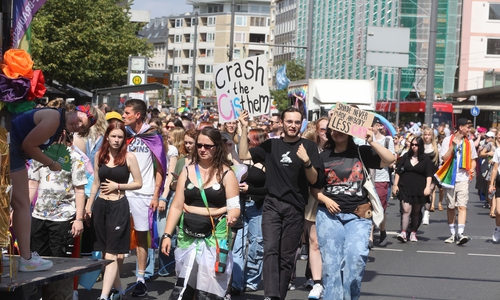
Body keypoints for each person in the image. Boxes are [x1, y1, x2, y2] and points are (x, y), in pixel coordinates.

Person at [238, 108, 322, 300]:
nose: (293, 125)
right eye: (289, 121)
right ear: (281, 123)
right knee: (270, 250)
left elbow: (314, 180)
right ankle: (271, 295)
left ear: (301, 123)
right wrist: (244, 129)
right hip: (272, 204)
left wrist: (307, 162)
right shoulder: (271, 145)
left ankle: (279, 296)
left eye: (296, 122)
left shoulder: (308, 146)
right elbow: (243, 154)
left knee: (286, 256)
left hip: (295, 206)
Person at [310, 124, 394, 300]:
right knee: (331, 268)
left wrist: (371, 142)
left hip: (358, 216)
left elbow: (389, 159)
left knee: (355, 260)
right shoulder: (323, 156)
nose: (337, 133)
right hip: (329, 216)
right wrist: (326, 200)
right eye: (333, 130)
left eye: (340, 129)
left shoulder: (361, 152)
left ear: (349, 131)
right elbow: (314, 189)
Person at [10, 104, 97, 271]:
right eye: (79, 120)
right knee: (21, 205)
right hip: (11, 151)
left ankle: (22, 256)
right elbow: (29, 146)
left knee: (17, 205)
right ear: (73, 111)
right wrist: (51, 163)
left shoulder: (58, 121)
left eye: (82, 126)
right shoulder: (54, 118)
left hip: (13, 152)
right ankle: (26, 258)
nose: (78, 125)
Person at [161, 127, 240, 299]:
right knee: (185, 283)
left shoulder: (227, 174)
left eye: (208, 146)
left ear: (217, 147)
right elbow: (176, 206)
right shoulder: (187, 171)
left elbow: (234, 206)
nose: (202, 149)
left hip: (215, 233)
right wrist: (167, 234)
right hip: (187, 232)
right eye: (199, 145)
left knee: (209, 287)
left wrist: (233, 216)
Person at [85, 121, 142, 300]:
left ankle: (103, 295)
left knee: (112, 253)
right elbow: (95, 182)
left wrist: (118, 185)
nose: (116, 140)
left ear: (124, 138)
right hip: (101, 206)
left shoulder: (129, 157)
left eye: (120, 137)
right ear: (107, 137)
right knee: (104, 252)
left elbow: (138, 183)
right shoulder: (100, 156)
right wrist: (88, 205)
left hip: (119, 206)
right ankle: (120, 290)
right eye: (113, 136)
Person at [122, 99, 167, 296]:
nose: (123, 116)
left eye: (126, 113)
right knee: (118, 235)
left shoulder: (153, 136)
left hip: (144, 193)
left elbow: (160, 168)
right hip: (123, 191)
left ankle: (140, 279)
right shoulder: (124, 135)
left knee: (142, 236)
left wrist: (156, 194)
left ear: (137, 115)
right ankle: (114, 279)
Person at [231, 128, 268, 294]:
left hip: (257, 207)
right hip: (240, 205)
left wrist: (250, 190)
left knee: (256, 245)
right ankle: (237, 283)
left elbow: (269, 189)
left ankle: (252, 280)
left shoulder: (267, 162)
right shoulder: (241, 159)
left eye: (248, 138)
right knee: (237, 245)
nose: (243, 141)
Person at [436, 118, 477, 245]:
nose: (469, 129)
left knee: (462, 205)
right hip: (450, 178)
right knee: (450, 206)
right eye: (467, 127)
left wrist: (473, 169)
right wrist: (452, 147)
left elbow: (473, 159)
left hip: (463, 178)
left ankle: (460, 233)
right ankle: (453, 234)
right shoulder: (448, 140)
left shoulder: (469, 142)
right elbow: (443, 158)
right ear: (460, 127)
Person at [393, 136, 433, 242]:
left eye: (416, 145)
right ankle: (403, 233)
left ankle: (413, 232)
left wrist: (427, 187)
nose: (414, 147)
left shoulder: (425, 158)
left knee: (416, 212)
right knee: (406, 210)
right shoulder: (406, 156)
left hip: (419, 189)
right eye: (412, 144)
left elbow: (429, 174)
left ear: (420, 146)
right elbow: (398, 171)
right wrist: (395, 185)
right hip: (405, 187)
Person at [370, 117, 396, 247]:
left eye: (371, 126)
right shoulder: (365, 139)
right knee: (369, 207)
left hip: (382, 178)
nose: (369, 128)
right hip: (368, 178)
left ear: (378, 126)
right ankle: (370, 236)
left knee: (380, 208)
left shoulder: (387, 140)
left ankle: (382, 231)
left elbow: (391, 158)